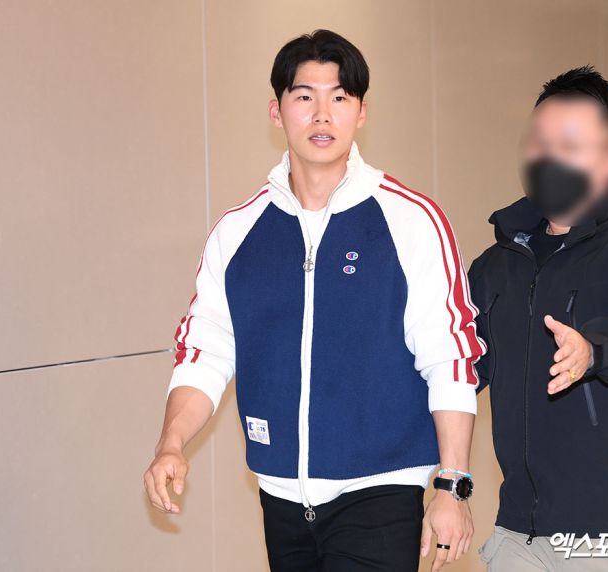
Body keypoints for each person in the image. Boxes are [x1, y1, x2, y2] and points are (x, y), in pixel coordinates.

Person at [143, 29, 486, 572]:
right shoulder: (238, 232)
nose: (322, 114)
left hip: (380, 494)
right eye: (304, 96)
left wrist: (452, 483)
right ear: (276, 111)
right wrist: (171, 443)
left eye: (339, 97)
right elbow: (205, 350)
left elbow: (450, 357)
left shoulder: (412, 221)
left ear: (361, 112)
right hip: (280, 495)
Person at [468, 66, 608, 571]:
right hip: (520, 534)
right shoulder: (495, 267)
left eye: (569, 145)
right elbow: (459, 366)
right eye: (538, 142)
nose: (547, 157)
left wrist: (593, 349)